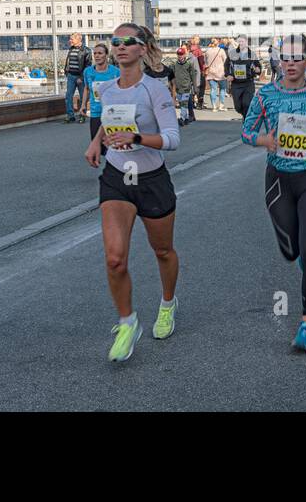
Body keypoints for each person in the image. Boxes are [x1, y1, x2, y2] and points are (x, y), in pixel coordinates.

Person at [241, 32, 306, 352]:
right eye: (284, 58)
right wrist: (264, 141)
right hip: (278, 181)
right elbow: (246, 132)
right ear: (278, 59)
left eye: (297, 58)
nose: (290, 64)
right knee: (292, 251)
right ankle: (302, 258)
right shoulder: (265, 96)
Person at [84, 22, 182, 362]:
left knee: (163, 251)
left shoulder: (154, 89)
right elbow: (108, 123)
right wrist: (96, 143)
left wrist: (138, 138)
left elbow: (172, 138)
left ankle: (168, 303)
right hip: (116, 178)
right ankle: (128, 322)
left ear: (143, 48)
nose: (121, 46)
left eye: (129, 41)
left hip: (151, 180)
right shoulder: (107, 88)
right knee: (114, 257)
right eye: (116, 41)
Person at [83, 42, 121, 156]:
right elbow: (86, 88)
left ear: (106, 55)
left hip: (112, 112)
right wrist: (83, 105)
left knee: (113, 146)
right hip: (96, 112)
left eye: (100, 53)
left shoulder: (116, 72)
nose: (97, 56)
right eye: (95, 53)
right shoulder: (88, 72)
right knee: (98, 146)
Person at [225, 36, 262, 119]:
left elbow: (258, 65)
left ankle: (246, 119)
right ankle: (245, 115)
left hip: (248, 83)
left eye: (243, 41)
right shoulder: (232, 53)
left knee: (247, 104)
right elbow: (226, 65)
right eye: (240, 41)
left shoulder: (252, 54)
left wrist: (258, 69)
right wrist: (228, 74)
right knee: (237, 107)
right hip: (236, 84)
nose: (241, 43)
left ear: (246, 42)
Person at [64, 33, 89, 124]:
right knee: (68, 96)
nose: (70, 41)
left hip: (80, 77)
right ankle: (70, 116)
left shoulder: (86, 51)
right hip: (71, 76)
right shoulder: (71, 49)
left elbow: (88, 66)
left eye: (72, 39)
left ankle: (82, 115)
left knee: (83, 97)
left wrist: (81, 77)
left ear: (78, 39)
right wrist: (67, 72)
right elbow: (68, 62)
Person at [173, 47, 200, 126]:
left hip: (186, 88)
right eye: (178, 54)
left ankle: (182, 118)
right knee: (181, 104)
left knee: (184, 103)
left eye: (181, 54)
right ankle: (186, 118)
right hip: (178, 88)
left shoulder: (189, 64)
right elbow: (172, 77)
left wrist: (195, 87)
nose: (180, 56)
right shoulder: (174, 65)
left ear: (184, 55)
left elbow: (193, 77)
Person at [204, 38, 228, 111]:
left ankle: (214, 106)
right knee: (222, 89)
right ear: (218, 43)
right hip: (220, 73)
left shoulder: (207, 51)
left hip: (211, 73)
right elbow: (225, 61)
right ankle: (221, 105)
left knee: (213, 89)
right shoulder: (221, 51)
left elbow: (206, 63)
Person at [189, 36, 208, 110]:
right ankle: (200, 104)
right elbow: (201, 62)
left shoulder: (190, 49)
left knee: (193, 87)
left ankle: (192, 103)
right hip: (199, 71)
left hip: (191, 71)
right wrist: (204, 69)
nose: (199, 40)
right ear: (195, 40)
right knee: (201, 87)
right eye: (198, 39)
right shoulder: (198, 50)